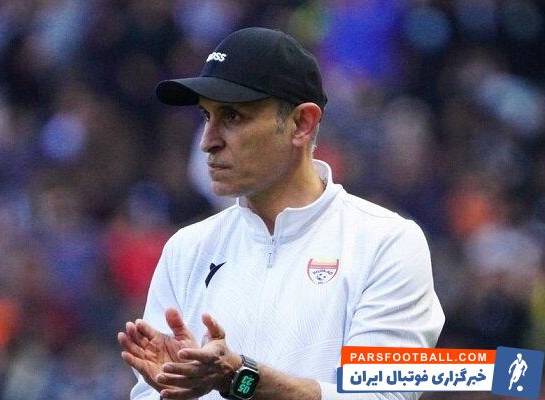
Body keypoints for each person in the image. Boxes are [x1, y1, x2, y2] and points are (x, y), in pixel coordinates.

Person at [117, 27, 445, 400]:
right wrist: (177, 390)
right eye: (207, 116)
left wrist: (240, 379)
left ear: (302, 124)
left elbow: (381, 396)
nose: (208, 141)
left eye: (233, 116)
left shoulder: (386, 243)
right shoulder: (185, 249)